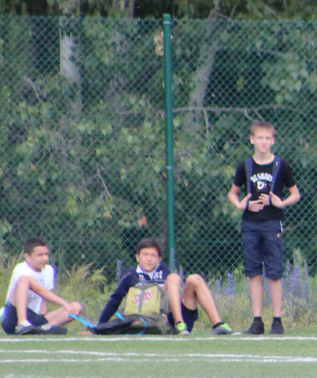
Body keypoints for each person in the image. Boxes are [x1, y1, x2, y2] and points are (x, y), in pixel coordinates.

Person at [227, 120, 301, 335]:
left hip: (272, 223)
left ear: (273, 141)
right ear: (252, 140)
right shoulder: (245, 166)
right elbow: (233, 194)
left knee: (274, 273)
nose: (263, 142)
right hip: (250, 224)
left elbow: (295, 194)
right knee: (254, 273)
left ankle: (277, 321)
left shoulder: (280, 165)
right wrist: (242, 205)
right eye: (259, 138)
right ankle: (257, 321)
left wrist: (281, 203)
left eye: (267, 138)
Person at [95, 238, 239, 335]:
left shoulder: (164, 271)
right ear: (137, 257)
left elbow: (173, 293)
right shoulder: (130, 275)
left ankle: (217, 325)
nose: (149, 259)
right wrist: (100, 325)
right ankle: (179, 324)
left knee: (193, 279)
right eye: (145, 255)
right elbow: (115, 300)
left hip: (171, 318)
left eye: (153, 255)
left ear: (159, 259)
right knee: (173, 278)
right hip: (151, 321)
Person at [0, 237, 86, 335]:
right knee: (24, 279)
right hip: (12, 317)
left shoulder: (49, 270)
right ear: (27, 257)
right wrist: (64, 303)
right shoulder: (21, 268)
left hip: (33, 318)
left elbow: (43, 299)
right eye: (40, 255)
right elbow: (39, 290)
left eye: (46, 254)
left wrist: (42, 318)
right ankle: (22, 324)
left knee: (76, 307)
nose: (45, 258)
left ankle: (45, 328)